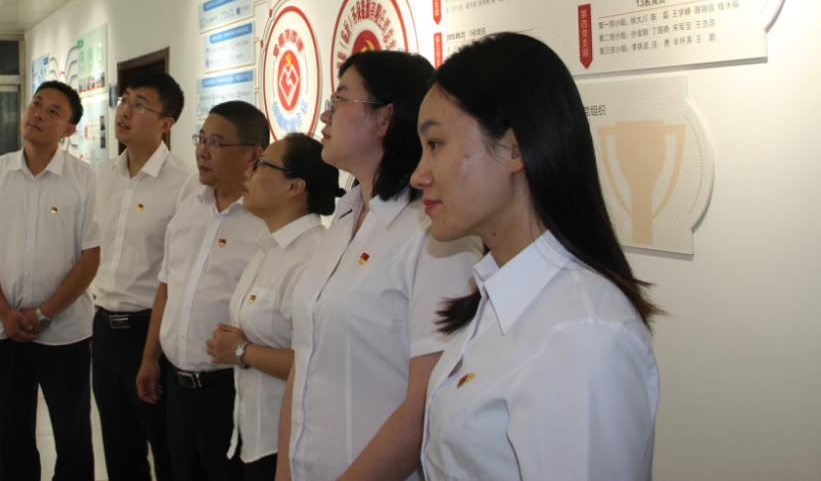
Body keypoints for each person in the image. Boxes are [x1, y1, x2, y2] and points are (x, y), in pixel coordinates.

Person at [414, 33, 660, 480]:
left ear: (514, 148)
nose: (419, 175)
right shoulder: (500, 295)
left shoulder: (582, 333)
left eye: (435, 144)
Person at [279, 51, 480, 481]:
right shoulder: (345, 217)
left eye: (339, 100)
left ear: (385, 117)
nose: (325, 116)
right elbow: (305, 358)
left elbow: (425, 404)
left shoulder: (434, 235)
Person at [0, 81, 100, 481]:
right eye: (37, 104)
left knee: (72, 435)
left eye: (53, 111)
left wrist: (44, 313)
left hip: (65, 334)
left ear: (69, 130)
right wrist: (3, 309)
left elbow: (91, 257)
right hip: (3, 332)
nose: (38, 114)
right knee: (13, 433)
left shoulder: (84, 180)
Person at [137, 101, 267, 481]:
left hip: (230, 390)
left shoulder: (264, 224)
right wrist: (150, 357)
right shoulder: (189, 208)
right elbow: (167, 287)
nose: (202, 151)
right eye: (201, 138)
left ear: (253, 155)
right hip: (177, 388)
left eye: (216, 142)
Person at [205, 133, 336, 481]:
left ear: (295, 187)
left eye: (262, 165)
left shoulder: (311, 256)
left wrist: (242, 351)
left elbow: (317, 361)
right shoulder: (270, 247)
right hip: (252, 434)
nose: (248, 171)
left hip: (286, 445)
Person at [93, 73, 197, 481]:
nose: (125, 111)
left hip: (150, 332)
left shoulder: (184, 185)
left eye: (140, 105)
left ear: (166, 123)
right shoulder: (105, 176)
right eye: (125, 100)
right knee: (119, 449)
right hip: (105, 329)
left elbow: (178, 276)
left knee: (165, 448)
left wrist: (151, 355)